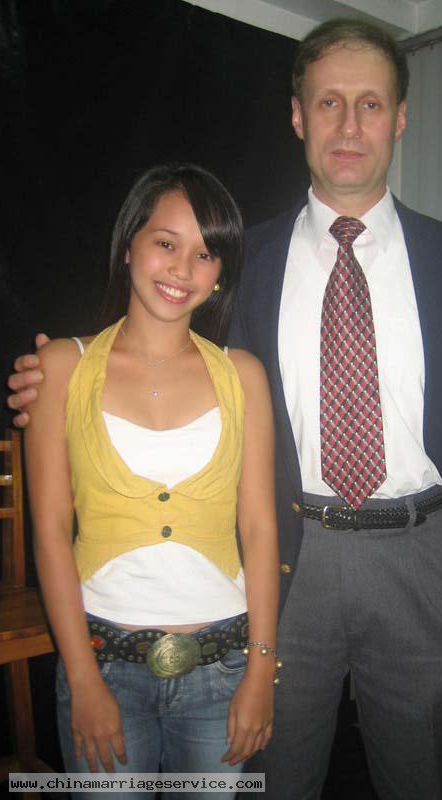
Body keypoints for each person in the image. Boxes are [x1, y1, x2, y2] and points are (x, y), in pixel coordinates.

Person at [8, 19, 442, 800]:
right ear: (297, 116)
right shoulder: (240, 262)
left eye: (369, 104)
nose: (348, 125)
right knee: (270, 780)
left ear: (399, 118)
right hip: (285, 563)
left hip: (427, 559)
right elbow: (163, 349)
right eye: (328, 102)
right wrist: (53, 375)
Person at [22, 163, 279, 800]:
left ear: (220, 274)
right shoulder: (62, 366)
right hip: (103, 664)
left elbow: (259, 528)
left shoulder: (243, 375)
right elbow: (50, 531)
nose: (182, 269)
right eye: (166, 242)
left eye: (205, 254)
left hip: (221, 670)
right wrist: (82, 678)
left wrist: (260, 671)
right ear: (129, 245)